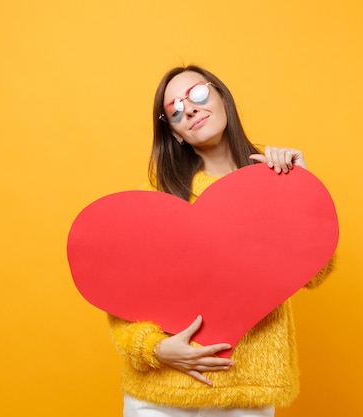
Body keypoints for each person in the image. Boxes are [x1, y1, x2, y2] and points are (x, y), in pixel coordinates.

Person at [108, 65, 334, 417]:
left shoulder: (275, 180)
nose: (191, 109)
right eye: (175, 111)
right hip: (161, 392)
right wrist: (155, 349)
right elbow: (121, 293)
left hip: (245, 391)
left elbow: (315, 272)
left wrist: (301, 188)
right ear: (176, 133)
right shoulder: (159, 197)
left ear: (220, 96)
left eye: (197, 94)